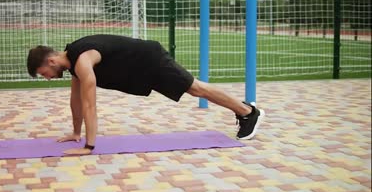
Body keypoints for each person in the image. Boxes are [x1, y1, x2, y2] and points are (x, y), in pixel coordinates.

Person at [27, 34, 264, 155]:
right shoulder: (74, 64)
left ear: (50, 60)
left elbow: (90, 105)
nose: (47, 77)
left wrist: (88, 147)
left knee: (195, 88)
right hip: (141, 67)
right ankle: (245, 110)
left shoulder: (83, 60)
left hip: (150, 60)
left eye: (43, 72)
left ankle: (248, 112)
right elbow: (76, 102)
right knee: (195, 88)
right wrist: (76, 133)